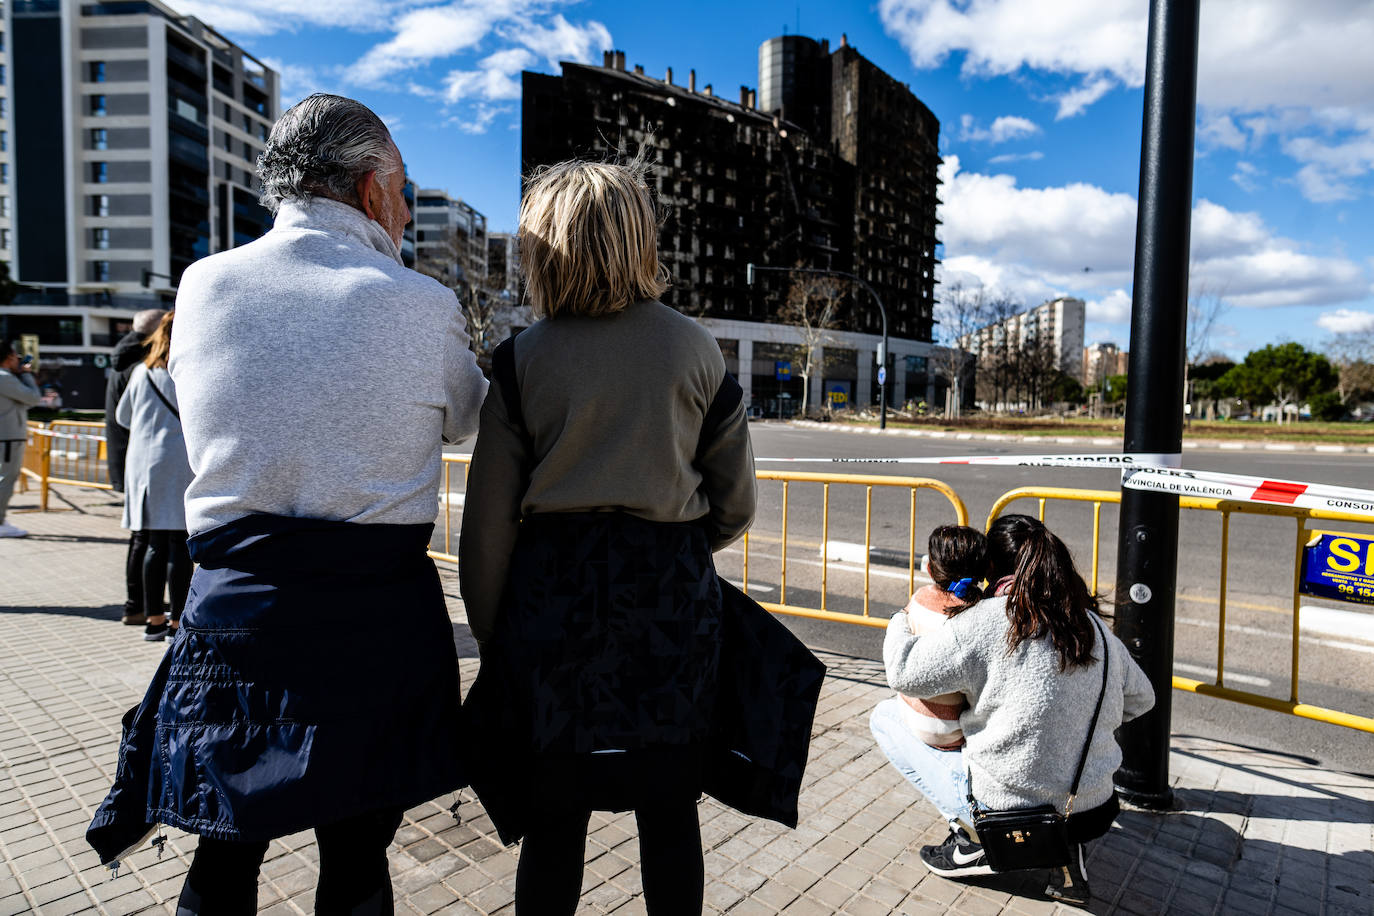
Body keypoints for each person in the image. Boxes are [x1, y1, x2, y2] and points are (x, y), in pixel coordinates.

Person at [86, 94, 488, 914]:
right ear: (374, 190)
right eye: (404, 191)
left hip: (241, 615)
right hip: (375, 623)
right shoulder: (421, 302)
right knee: (356, 859)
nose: (407, 212)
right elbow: (471, 417)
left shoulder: (204, 286)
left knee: (223, 851)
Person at [459, 157, 756, 915]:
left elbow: (487, 528)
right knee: (670, 814)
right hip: (671, 610)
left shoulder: (523, 360)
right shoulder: (695, 349)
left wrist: (498, 635)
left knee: (553, 820)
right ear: (638, 238)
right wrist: (678, 549)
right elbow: (735, 503)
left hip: (552, 610)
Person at [872, 514, 1154, 906]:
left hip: (1008, 810)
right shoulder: (1091, 625)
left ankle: (975, 840)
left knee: (884, 718)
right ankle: (1064, 854)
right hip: (1090, 809)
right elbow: (1143, 698)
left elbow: (904, 673)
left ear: (993, 568)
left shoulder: (987, 620)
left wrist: (899, 620)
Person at [114, 312, 193, 642]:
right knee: (179, 544)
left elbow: (123, 416)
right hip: (177, 462)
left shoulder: (140, 372)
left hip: (144, 465)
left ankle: (153, 619)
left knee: (153, 543)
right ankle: (177, 623)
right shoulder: (186, 373)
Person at [892, 525, 987, 749]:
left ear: (930, 569)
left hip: (914, 719)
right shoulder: (981, 613)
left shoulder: (919, 599)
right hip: (955, 733)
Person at [106, 308, 168, 626]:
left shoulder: (124, 359)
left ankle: (137, 605)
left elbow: (123, 416)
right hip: (153, 461)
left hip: (133, 458)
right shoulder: (147, 365)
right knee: (156, 542)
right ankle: (148, 609)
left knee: (140, 538)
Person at [0, 341, 41, 538]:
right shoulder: (5, 379)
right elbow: (33, 398)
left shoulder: (7, 379)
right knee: (5, 479)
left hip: (6, 436)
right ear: (7, 358)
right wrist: (25, 374)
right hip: (7, 437)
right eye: (15, 356)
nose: (18, 359)